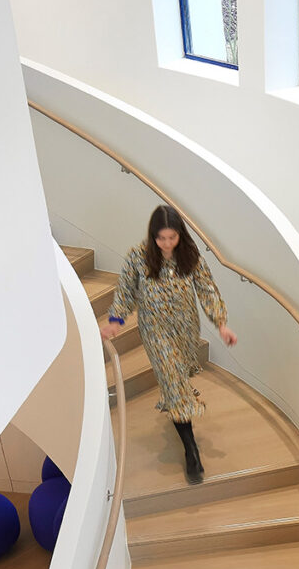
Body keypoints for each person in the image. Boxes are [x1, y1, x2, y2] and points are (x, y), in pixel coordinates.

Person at [99, 205, 238, 483]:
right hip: (156, 331)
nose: (166, 244)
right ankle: (191, 450)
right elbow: (126, 290)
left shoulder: (190, 255)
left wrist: (221, 324)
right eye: (161, 238)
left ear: (179, 235)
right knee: (173, 379)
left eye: (171, 238)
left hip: (186, 328)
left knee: (178, 376)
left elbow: (207, 289)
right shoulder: (138, 257)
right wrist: (116, 320)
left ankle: (176, 396)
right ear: (153, 236)